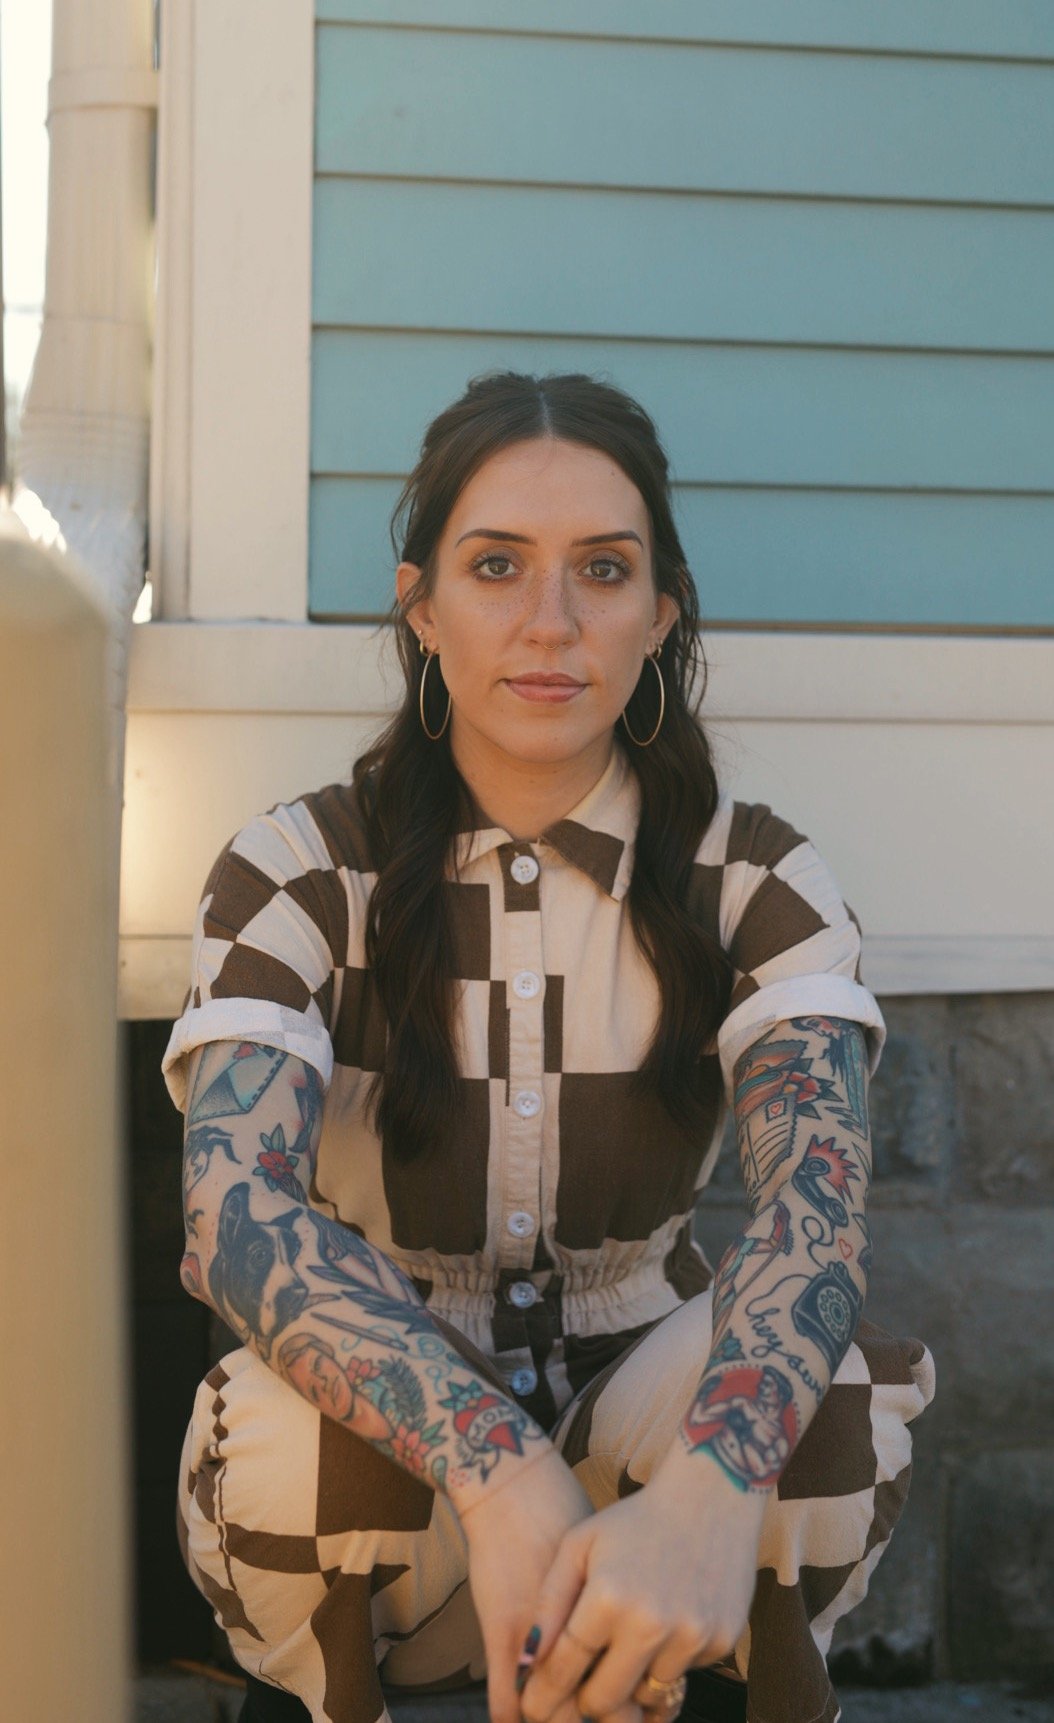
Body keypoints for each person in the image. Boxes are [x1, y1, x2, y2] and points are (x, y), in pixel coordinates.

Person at [163, 371, 936, 1723]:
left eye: (603, 569)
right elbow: (236, 1221)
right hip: (411, 1499)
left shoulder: (749, 879)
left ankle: (659, 1630)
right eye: (496, 566)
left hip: (652, 1442)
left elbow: (814, 1218)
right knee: (286, 1446)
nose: (549, 621)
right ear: (421, 607)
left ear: (661, 611)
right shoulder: (298, 870)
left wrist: (704, 1493)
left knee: (816, 1419)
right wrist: (495, 1464)